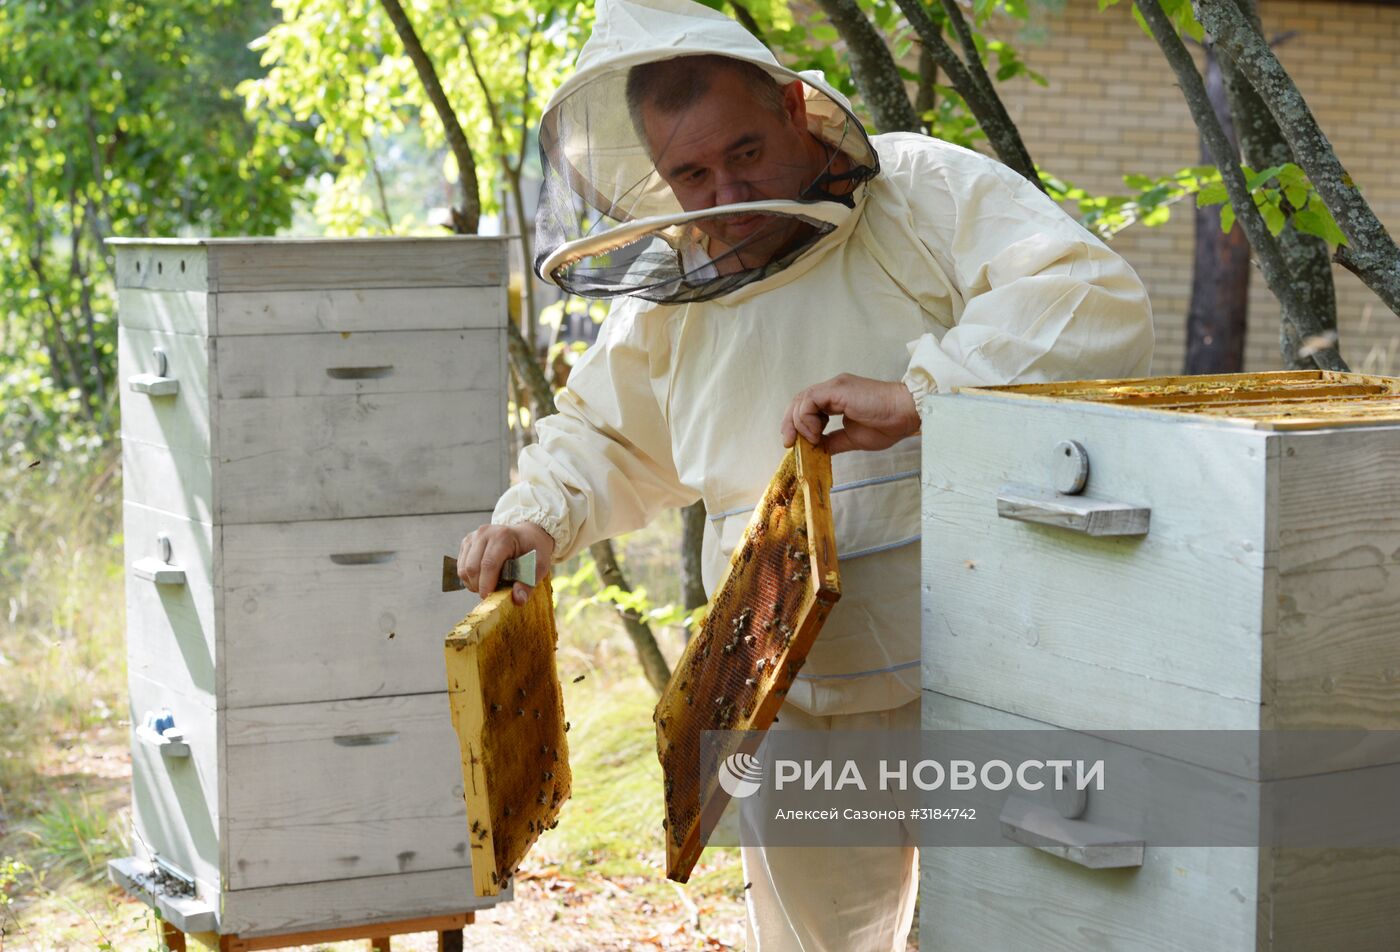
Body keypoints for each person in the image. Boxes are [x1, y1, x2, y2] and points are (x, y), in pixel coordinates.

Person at [458, 0, 1154, 947]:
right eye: (690, 175)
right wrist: (533, 516)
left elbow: (1092, 300)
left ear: (794, 105)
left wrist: (925, 391)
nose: (721, 194)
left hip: (980, 686)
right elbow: (602, 436)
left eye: (743, 153)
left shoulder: (921, 191)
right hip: (787, 700)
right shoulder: (671, 284)